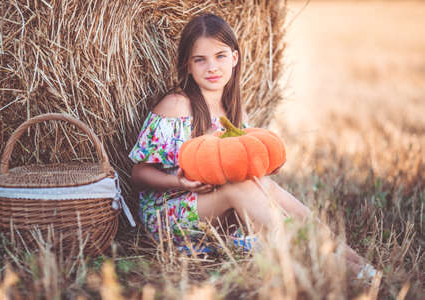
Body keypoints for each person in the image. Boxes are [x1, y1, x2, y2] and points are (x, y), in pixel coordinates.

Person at [128, 13, 375, 279]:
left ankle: (353, 260)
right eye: (200, 60)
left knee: (266, 185)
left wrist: (263, 165)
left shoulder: (236, 113)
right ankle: (328, 263)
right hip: (168, 215)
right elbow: (138, 174)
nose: (212, 67)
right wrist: (181, 184)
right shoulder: (176, 106)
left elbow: (237, 162)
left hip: (214, 209)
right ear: (187, 65)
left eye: (220, 56)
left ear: (234, 58)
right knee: (242, 187)